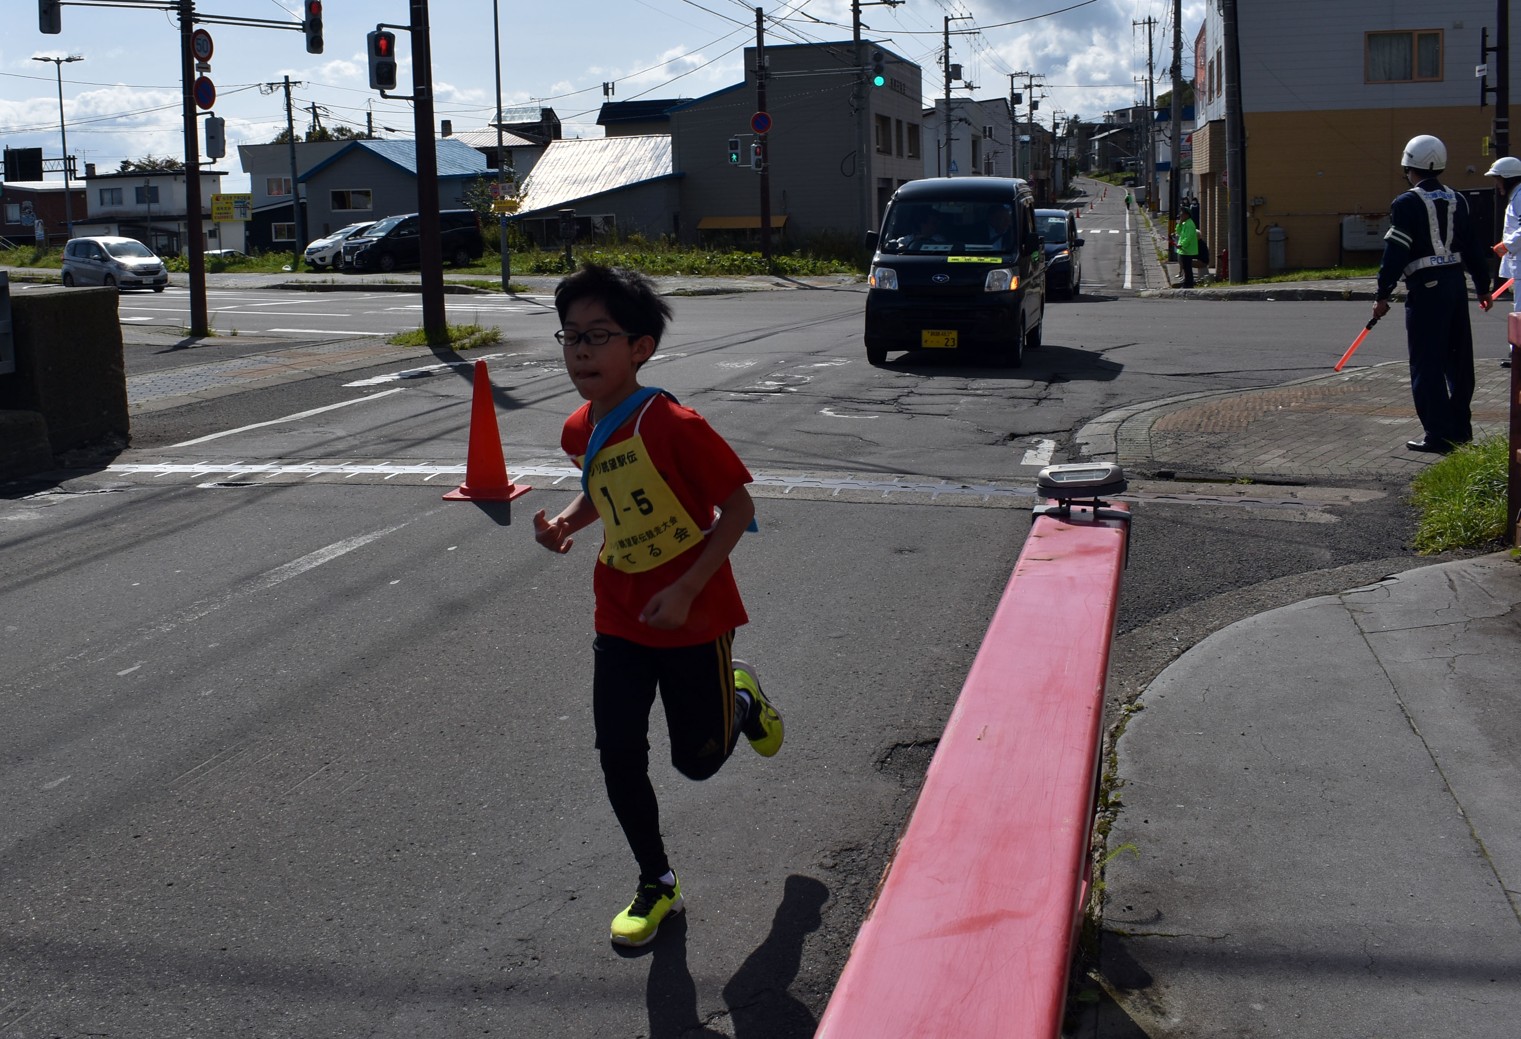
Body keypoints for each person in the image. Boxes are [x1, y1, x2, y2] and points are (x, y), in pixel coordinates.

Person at [532, 263, 784, 948]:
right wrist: (566, 522)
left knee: (696, 762)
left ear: (640, 347)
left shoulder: (675, 424)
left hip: (694, 616)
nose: (580, 351)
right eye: (570, 336)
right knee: (619, 754)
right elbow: (605, 493)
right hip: (619, 612)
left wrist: (687, 587)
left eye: (599, 336)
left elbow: (738, 510)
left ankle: (743, 698)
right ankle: (656, 881)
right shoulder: (579, 428)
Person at [1372, 135, 1493, 453]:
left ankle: (1438, 435)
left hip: (1425, 290)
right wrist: (1483, 287)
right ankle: (1461, 430)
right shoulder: (1458, 200)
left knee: (1427, 363)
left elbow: (1396, 251)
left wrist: (1382, 293)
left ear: (1408, 164)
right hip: (1456, 285)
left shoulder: (1405, 203)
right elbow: (1473, 247)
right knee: (1459, 360)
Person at [1487, 155, 1521, 368]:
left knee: (1520, 311)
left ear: (1508, 177)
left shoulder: (1519, 197)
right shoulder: (1516, 196)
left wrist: (1506, 245)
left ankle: (1517, 354)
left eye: (1498, 178)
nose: (1496, 183)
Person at [1175, 210, 1199, 288]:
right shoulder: (1185, 223)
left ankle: (1188, 284)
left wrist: (1182, 244)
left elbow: (1189, 237)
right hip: (1184, 250)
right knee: (1185, 267)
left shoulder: (1190, 224)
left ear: (1187, 215)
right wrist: (1179, 223)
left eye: (1182, 215)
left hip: (1188, 249)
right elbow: (1178, 232)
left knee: (1187, 268)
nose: (1180, 216)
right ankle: (1187, 283)